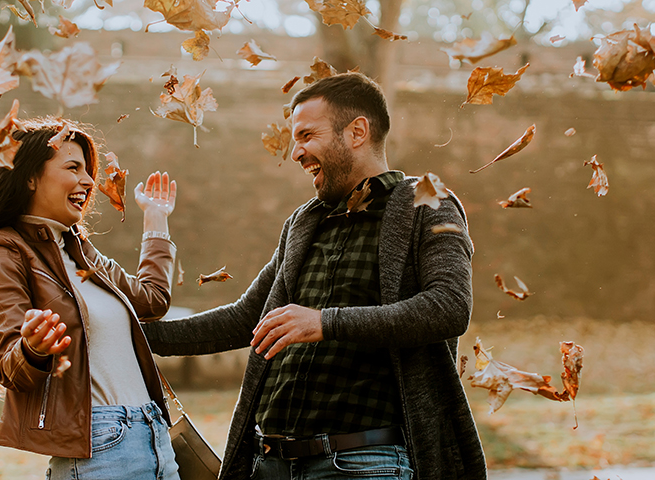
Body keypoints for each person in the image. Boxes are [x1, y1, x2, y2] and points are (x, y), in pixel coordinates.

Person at [142, 72, 486, 480]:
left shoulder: (428, 204)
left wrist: (324, 322)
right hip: (268, 464)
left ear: (357, 131)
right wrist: (134, 334)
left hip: (362, 464)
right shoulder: (304, 222)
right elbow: (245, 319)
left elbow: (448, 307)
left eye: (306, 135)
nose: (296, 153)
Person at [0, 117, 181, 480]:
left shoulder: (79, 251)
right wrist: (33, 347)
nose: (89, 181)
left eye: (87, 170)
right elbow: (12, 364)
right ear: (29, 177)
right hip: (101, 449)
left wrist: (156, 220)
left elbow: (152, 300)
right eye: (72, 167)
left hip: (155, 438)